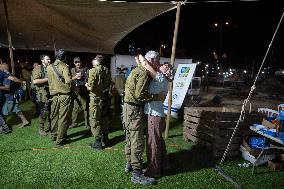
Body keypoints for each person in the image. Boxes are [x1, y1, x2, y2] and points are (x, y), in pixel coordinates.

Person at [123, 53, 156, 185]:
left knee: (130, 138)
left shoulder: (136, 70)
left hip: (127, 108)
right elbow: (139, 94)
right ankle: (137, 173)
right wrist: (153, 97)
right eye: (156, 62)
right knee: (137, 140)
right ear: (151, 61)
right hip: (134, 110)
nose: (157, 65)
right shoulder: (143, 72)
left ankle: (129, 164)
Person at [138, 53, 172, 178]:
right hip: (157, 114)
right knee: (158, 141)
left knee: (153, 143)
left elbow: (146, 64)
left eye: (165, 66)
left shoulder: (160, 77)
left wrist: (138, 54)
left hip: (155, 115)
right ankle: (164, 164)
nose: (162, 65)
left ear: (167, 71)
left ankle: (154, 170)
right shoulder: (160, 77)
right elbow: (145, 65)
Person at [46, 49, 73, 146]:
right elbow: (68, 81)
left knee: (54, 116)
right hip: (64, 96)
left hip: (53, 96)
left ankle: (53, 136)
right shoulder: (64, 66)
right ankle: (60, 140)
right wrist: (74, 77)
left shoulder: (49, 67)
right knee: (63, 118)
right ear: (64, 57)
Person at [85, 55, 109, 150]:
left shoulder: (93, 71)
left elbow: (91, 88)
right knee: (104, 118)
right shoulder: (107, 70)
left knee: (95, 119)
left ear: (96, 61)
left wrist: (86, 84)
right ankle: (106, 139)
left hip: (95, 99)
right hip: (104, 98)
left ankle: (98, 142)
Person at [1, 63, 29, 128]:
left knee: (4, 113)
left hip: (8, 97)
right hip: (13, 96)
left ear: (3, 68)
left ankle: (3, 127)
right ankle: (25, 121)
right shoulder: (10, 74)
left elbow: (7, 88)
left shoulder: (6, 77)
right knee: (16, 109)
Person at [32, 55, 51, 136]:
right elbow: (35, 81)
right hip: (43, 93)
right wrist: (47, 79)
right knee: (44, 111)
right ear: (42, 60)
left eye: (49, 59)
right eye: (47, 59)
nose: (49, 60)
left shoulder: (51, 67)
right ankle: (41, 129)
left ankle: (51, 126)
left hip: (51, 92)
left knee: (52, 110)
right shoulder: (38, 69)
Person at [70, 57, 89, 129]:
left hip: (84, 91)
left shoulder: (85, 70)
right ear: (74, 63)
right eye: (76, 62)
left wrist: (84, 77)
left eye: (79, 62)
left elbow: (89, 79)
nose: (78, 63)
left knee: (85, 108)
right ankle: (74, 123)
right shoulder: (72, 70)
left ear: (81, 62)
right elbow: (69, 79)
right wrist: (75, 77)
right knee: (75, 108)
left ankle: (87, 123)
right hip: (75, 91)